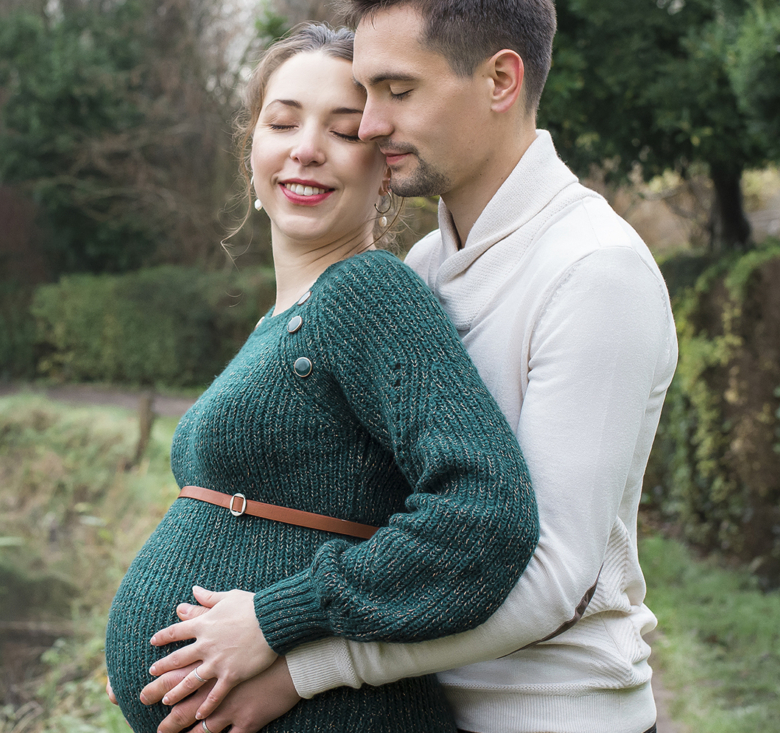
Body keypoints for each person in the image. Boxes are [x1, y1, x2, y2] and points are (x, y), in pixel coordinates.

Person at [139, 1, 678, 732]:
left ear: (499, 80)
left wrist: (302, 666)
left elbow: (550, 575)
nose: (369, 125)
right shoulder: (428, 262)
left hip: (545, 715)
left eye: (397, 91)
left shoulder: (593, 269)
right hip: (425, 705)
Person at [102, 23, 541, 733]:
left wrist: (279, 618)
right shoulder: (286, 314)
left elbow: (485, 510)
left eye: (343, 131)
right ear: (252, 144)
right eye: (282, 121)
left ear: (384, 166)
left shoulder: (365, 291)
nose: (306, 147)